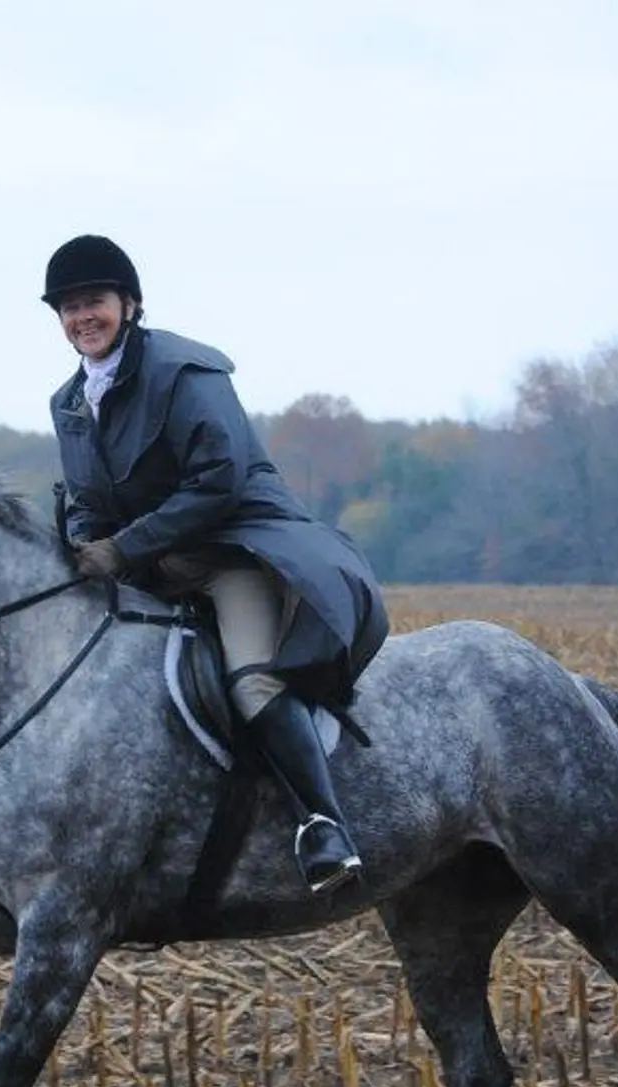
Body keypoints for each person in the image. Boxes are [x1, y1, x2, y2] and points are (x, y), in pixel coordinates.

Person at [41, 234, 389, 895]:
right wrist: (83, 547)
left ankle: (323, 825)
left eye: (95, 302)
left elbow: (218, 480)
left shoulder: (185, 371)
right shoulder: (69, 402)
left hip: (231, 551)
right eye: (70, 308)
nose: (83, 317)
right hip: (151, 565)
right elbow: (87, 501)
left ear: (130, 304)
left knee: (252, 683)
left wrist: (121, 549)